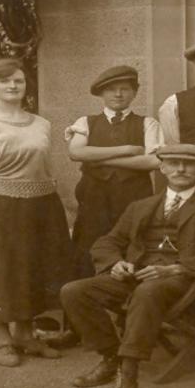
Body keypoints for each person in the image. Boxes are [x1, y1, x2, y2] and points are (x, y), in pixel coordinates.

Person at [60, 144, 195, 388]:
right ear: (162, 168)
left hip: (187, 280)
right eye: (174, 163)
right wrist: (116, 262)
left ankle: (129, 374)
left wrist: (178, 267)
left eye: (189, 164)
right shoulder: (141, 206)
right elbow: (107, 242)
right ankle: (111, 357)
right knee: (74, 291)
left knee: (149, 291)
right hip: (137, 273)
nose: (181, 169)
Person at [0, 58, 72, 367]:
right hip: (1, 209)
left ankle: (24, 334)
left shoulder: (42, 124)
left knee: (34, 269)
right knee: (0, 272)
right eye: (5, 80)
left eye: (19, 80)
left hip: (42, 206)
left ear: (26, 86)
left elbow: (46, 168)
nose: (12, 86)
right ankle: (2, 337)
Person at [65, 66, 163, 278]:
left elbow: (154, 161)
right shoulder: (86, 122)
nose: (118, 94)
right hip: (94, 195)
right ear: (101, 93)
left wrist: (99, 158)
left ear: (134, 93)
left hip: (134, 195)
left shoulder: (148, 123)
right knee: (89, 243)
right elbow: (76, 152)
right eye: (111, 90)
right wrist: (126, 150)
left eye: (125, 89)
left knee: (132, 241)